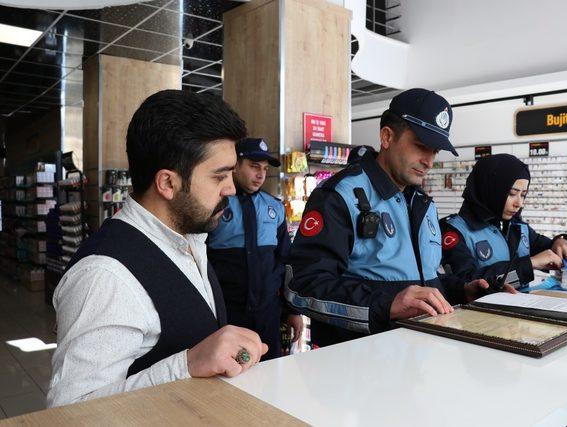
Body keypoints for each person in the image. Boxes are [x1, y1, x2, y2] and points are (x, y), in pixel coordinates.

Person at [48, 90, 268, 407]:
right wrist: (187, 365)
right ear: (167, 183)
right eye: (219, 176)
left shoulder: (189, 237)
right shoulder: (105, 276)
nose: (231, 188)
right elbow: (70, 411)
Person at [285, 88, 507, 347]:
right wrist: (387, 304)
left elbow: (421, 280)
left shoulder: (423, 204)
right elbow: (301, 287)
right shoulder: (339, 196)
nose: (429, 161)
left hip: (417, 358)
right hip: (356, 366)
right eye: (421, 146)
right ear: (387, 137)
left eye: (435, 151)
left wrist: (463, 290)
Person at [207, 138, 302, 360]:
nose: (261, 175)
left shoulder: (275, 208)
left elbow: (287, 262)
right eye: (254, 166)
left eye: (265, 169)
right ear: (235, 165)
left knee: (270, 374)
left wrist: (293, 310)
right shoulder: (214, 206)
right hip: (226, 313)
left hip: (268, 314)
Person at [439, 153, 567, 289]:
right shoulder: (454, 231)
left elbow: (547, 248)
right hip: (482, 311)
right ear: (491, 189)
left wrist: (560, 242)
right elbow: (466, 285)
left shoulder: (516, 226)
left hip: (520, 306)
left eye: (523, 195)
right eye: (512, 194)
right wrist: (530, 264)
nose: (519, 203)